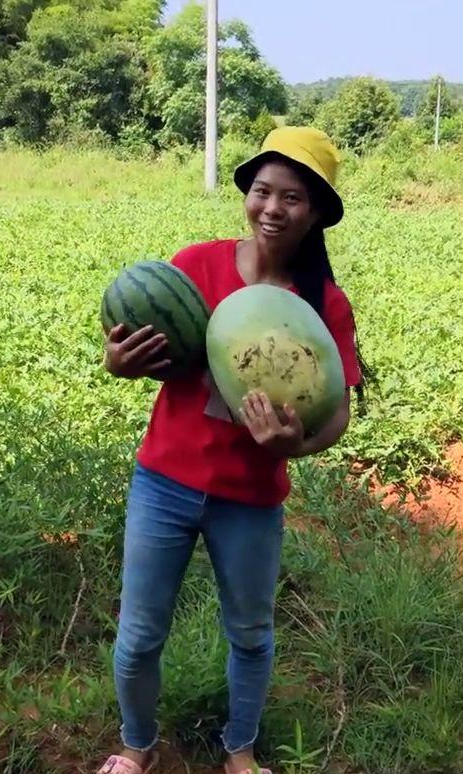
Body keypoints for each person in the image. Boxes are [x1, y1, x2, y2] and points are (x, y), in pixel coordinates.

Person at [98, 127, 363, 774]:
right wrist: (117, 363)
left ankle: (238, 751)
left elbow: (337, 414)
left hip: (249, 496)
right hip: (165, 480)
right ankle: (136, 746)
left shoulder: (324, 304)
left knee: (250, 635)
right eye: (263, 191)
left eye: (292, 197)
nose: (272, 208)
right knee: (138, 636)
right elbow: (146, 351)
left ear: (316, 213)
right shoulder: (194, 266)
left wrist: (297, 445)